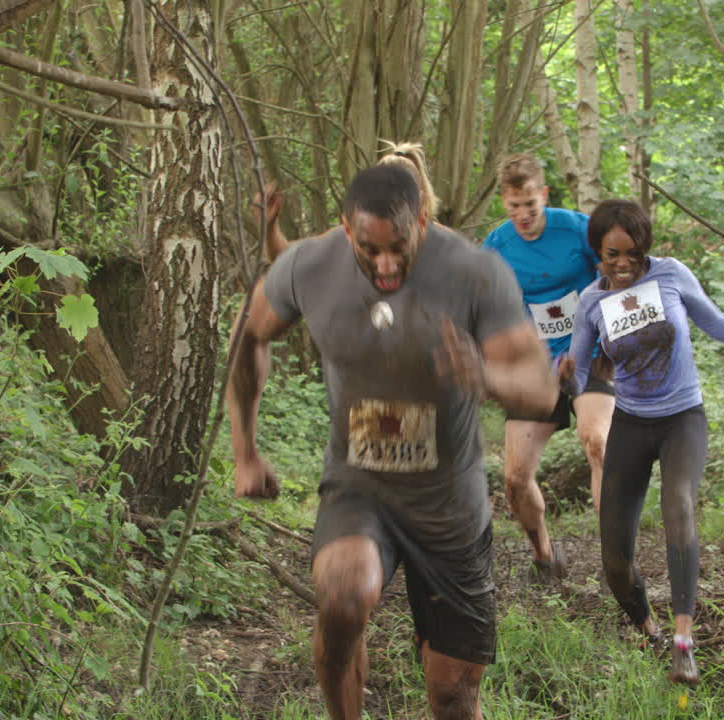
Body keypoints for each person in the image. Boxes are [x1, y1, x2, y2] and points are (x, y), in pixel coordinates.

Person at [227, 163, 558, 720]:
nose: (384, 264)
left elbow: (543, 389)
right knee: (342, 593)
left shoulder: (475, 273)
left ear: (423, 222)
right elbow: (250, 333)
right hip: (360, 490)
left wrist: (487, 377)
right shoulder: (310, 264)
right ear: (344, 227)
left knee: (453, 699)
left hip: (449, 506)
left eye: (399, 247)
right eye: (368, 249)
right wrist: (245, 451)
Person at [562, 199, 724, 685]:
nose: (622, 264)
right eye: (612, 254)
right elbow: (579, 371)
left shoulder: (672, 276)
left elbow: (718, 324)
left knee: (678, 503)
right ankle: (649, 628)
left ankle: (683, 642)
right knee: (615, 557)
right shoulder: (591, 303)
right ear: (597, 251)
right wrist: (568, 377)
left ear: (646, 250)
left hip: (682, 417)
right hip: (631, 424)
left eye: (632, 253)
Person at [482, 153, 615, 579]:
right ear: (504, 201)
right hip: (535, 367)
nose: (522, 215)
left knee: (597, 440)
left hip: (589, 354)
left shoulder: (578, 228)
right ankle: (544, 556)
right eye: (513, 206)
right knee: (515, 478)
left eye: (530, 205)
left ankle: (618, 557)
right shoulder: (497, 246)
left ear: (544, 195)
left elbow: (618, 271)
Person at [259, 141, 441, 263]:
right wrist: (269, 226)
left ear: (420, 200)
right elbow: (283, 256)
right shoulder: (354, 239)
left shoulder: (445, 249)